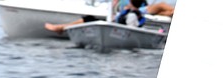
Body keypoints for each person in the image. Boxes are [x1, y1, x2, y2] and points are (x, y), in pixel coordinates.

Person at [44, 0, 173, 34]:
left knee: (89, 18)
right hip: (123, 18)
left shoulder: (146, 8)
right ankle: (61, 28)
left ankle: (61, 28)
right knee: (88, 18)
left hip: (131, 18)